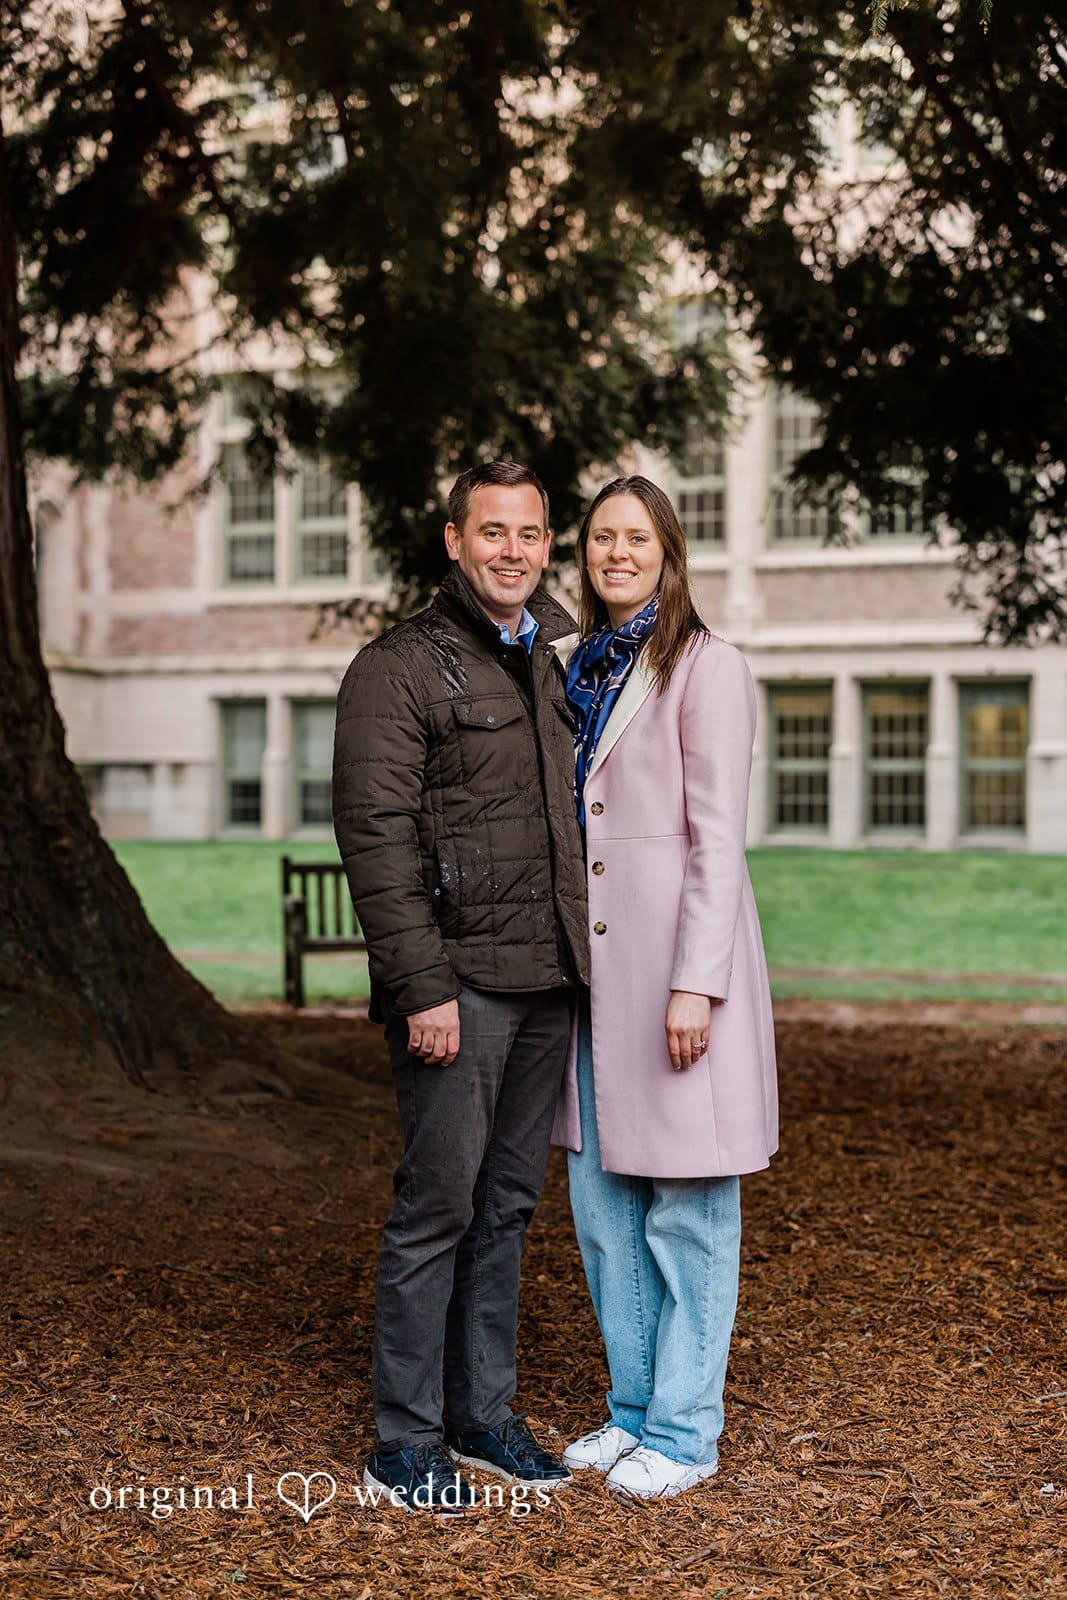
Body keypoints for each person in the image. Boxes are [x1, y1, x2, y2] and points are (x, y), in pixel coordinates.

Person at [332, 460, 589, 1515]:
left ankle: (481, 1414)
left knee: (506, 1209)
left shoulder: (554, 662)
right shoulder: (397, 667)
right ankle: (403, 1441)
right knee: (437, 1206)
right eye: (492, 532)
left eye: (529, 534)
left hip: (544, 982)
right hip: (457, 989)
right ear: (452, 540)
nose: (513, 551)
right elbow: (376, 838)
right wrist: (419, 985)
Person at [551, 474, 778, 1500]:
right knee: (602, 1208)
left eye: (635, 536)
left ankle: (685, 1432)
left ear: (666, 549)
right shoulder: (568, 669)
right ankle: (631, 1411)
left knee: (686, 1206)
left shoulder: (704, 665)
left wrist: (696, 983)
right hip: (590, 979)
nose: (616, 552)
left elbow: (716, 840)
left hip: (675, 982)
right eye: (601, 536)